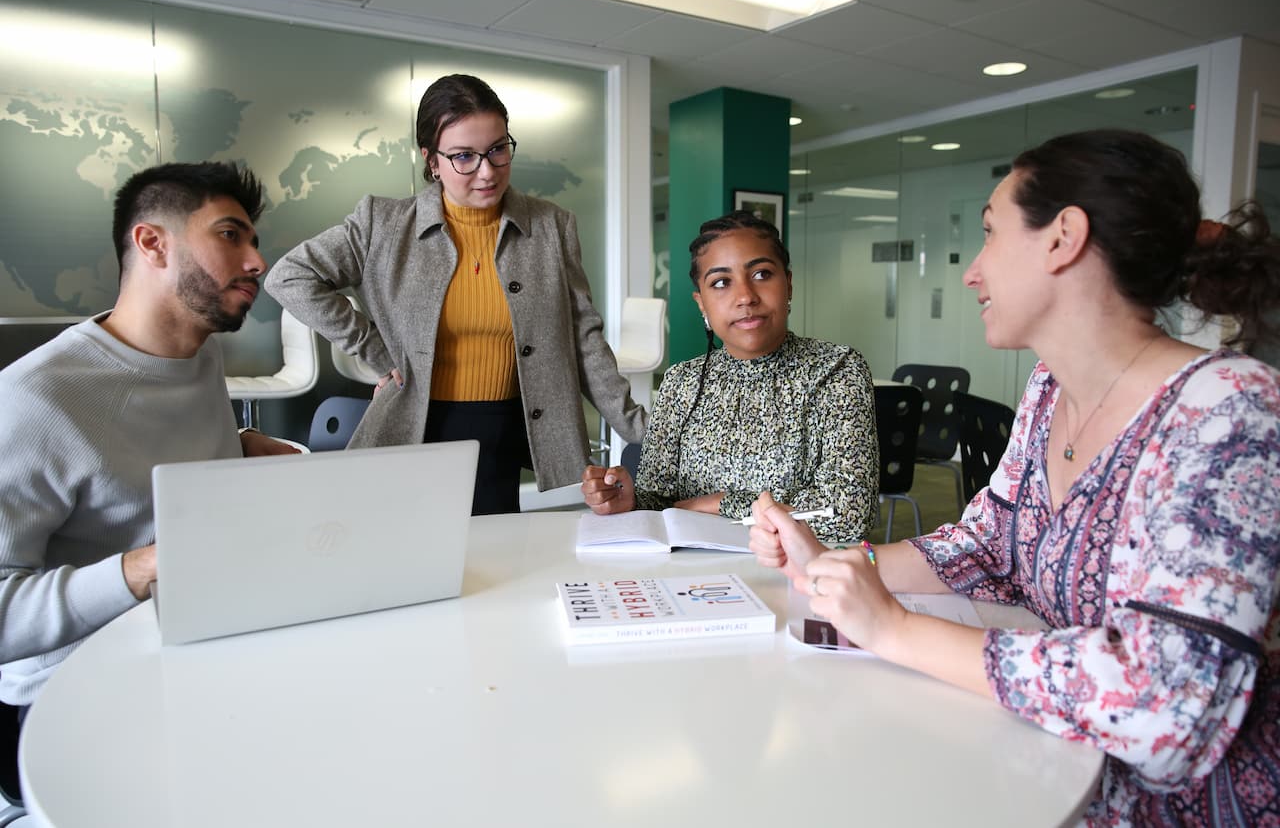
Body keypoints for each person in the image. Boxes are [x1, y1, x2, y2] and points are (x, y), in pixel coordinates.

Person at [749, 129, 1280, 826]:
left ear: (1063, 237)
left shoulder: (1232, 410)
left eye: (991, 233)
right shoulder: (1049, 388)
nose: (972, 272)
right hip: (1046, 758)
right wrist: (839, 563)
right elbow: (986, 541)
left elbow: (1165, 706)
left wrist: (894, 629)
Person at [266, 73, 645, 515]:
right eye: (464, 156)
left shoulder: (551, 227)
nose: (487, 171)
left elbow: (584, 339)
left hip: (501, 433)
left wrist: (645, 434)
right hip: (415, 430)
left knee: (495, 551)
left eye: (498, 149)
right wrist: (376, 350)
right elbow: (290, 276)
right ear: (431, 160)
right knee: (410, 549)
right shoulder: (382, 224)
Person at [0, 161, 297, 709]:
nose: (257, 262)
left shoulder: (200, 354)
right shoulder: (33, 399)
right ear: (152, 244)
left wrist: (240, 442)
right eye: (229, 235)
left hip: (201, 648)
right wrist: (143, 567)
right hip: (76, 694)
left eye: (254, 243)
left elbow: (138, 448)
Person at [582, 211, 878, 542]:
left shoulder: (837, 369)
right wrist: (630, 501)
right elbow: (660, 504)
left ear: (789, 284)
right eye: (721, 282)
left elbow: (848, 516)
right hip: (691, 567)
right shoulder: (681, 382)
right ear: (701, 303)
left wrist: (722, 503)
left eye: (762, 274)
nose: (746, 296)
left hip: (795, 566)